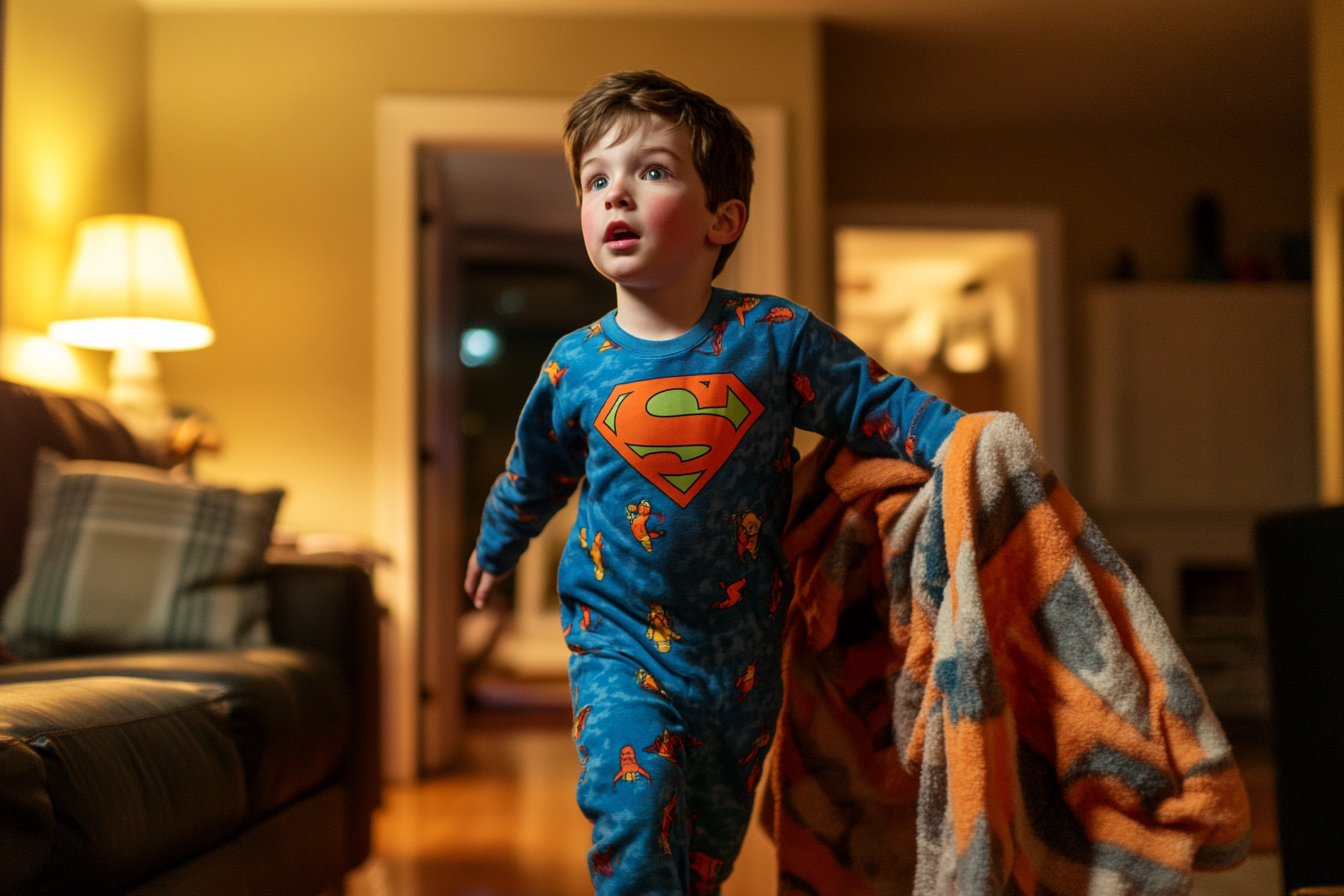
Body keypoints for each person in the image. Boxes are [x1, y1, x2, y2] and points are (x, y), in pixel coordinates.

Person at [464, 70, 963, 896]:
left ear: (722, 219)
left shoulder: (773, 337)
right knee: (634, 798)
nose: (616, 194)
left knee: (704, 848)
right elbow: (533, 472)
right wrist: (495, 544)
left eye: (652, 172)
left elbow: (878, 404)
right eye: (597, 180)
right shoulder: (575, 363)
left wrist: (967, 444)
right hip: (615, 636)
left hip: (741, 653)